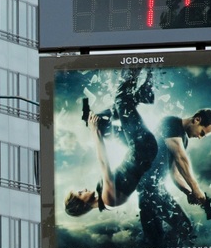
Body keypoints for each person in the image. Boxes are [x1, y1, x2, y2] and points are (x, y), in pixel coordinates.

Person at [65, 69, 158, 218]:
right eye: (80, 193)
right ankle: (133, 64)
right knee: (121, 100)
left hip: (136, 148)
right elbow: (104, 163)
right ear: (82, 204)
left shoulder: (104, 199)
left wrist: (95, 128)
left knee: (98, 123)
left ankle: (142, 96)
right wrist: (93, 132)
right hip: (143, 147)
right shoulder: (108, 199)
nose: (83, 189)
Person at [136, 106, 211, 246]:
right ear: (196, 120)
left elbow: (175, 173)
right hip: (148, 188)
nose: (199, 137)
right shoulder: (171, 123)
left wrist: (189, 192)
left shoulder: (183, 141)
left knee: (174, 233)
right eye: (202, 133)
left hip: (157, 190)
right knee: (166, 235)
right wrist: (196, 188)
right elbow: (181, 158)